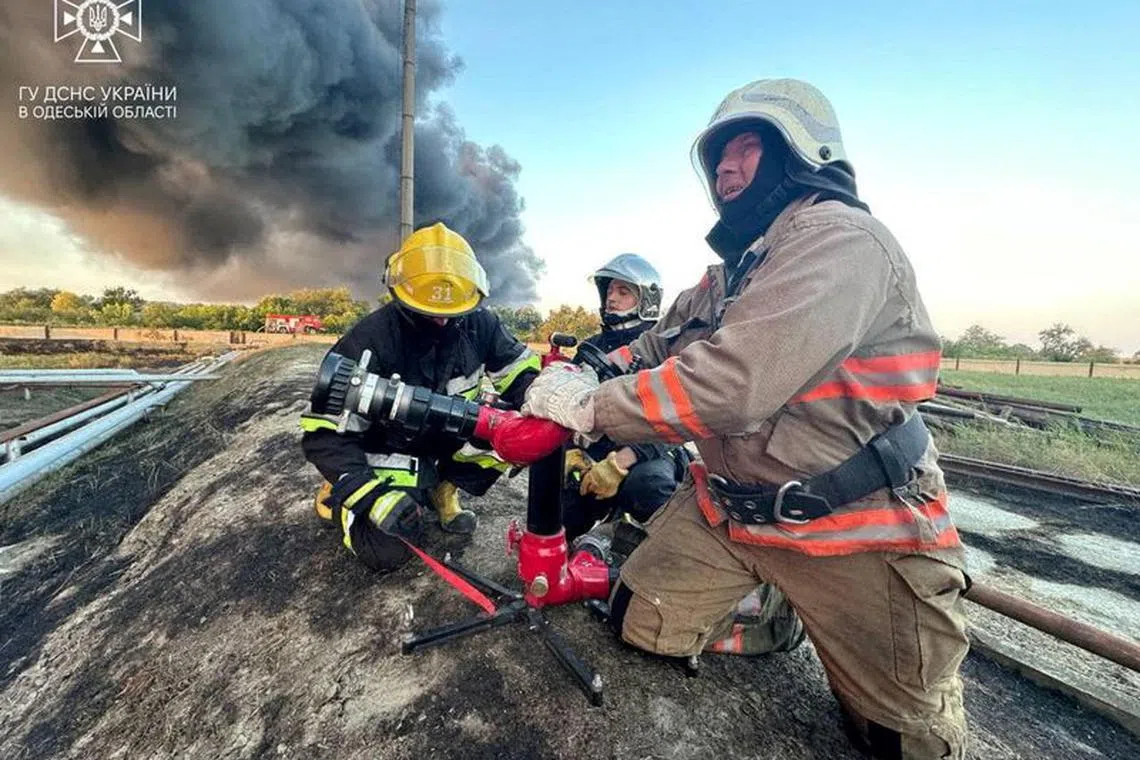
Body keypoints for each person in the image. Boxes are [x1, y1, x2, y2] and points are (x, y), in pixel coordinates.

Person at [523, 79, 968, 759]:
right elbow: (650, 348)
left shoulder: (843, 242)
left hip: (854, 523)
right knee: (637, 623)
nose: (724, 168)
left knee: (898, 740)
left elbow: (732, 385)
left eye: (747, 148)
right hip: (734, 511)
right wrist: (589, 372)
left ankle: (850, 638)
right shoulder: (727, 276)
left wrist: (590, 408)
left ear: (804, 154)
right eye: (717, 158)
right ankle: (774, 613)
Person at [300, 222, 540, 572]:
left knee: (517, 430)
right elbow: (322, 434)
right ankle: (338, 494)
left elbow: (522, 376)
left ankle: (442, 490)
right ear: (402, 297)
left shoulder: (479, 325)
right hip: (388, 450)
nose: (442, 321)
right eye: (428, 313)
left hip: (444, 439)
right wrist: (368, 494)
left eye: (452, 312)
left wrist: (553, 407)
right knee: (388, 552)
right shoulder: (371, 339)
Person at [561, 253, 688, 542]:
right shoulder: (591, 347)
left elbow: (680, 419)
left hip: (649, 449)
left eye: (623, 291)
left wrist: (621, 462)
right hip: (595, 451)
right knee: (558, 511)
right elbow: (572, 402)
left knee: (647, 488)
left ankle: (671, 555)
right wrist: (570, 448)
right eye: (609, 290)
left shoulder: (664, 347)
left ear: (646, 300)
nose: (611, 298)